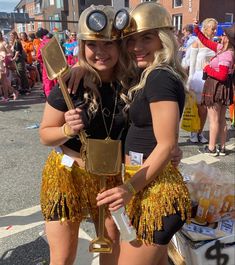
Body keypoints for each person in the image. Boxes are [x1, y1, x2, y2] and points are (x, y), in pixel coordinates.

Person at [39, 5, 136, 265]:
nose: (101, 52)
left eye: (109, 44)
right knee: (62, 257)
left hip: (110, 177)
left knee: (110, 247)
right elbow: (45, 135)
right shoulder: (70, 82)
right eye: (93, 45)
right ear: (82, 46)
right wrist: (66, 129)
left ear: (120, 46)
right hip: (67, 175)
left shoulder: (132, 83)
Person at [95, 3, 191, 265]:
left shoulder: (160, 77)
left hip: (155, 194)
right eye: (132, 40)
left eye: (146, 38)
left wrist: (127, 188)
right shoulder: (146, 75)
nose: (137, 46)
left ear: (163, 39)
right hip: (146, 187)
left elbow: (166, 144)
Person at [193, 21, 235, 156]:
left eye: (223, 35)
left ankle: (211, 148)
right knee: (221, 119)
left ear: (228, 39)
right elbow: (205, 41)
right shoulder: (221, 48)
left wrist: (207, 68)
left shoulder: (227, 54)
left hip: (217, 87)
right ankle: (222, 148)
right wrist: (196, 28)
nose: (220, 36)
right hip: (221, 88)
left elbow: (222, 76)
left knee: (214, 120)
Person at [188, 18, 218, 144]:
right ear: (205, 28)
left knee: (206, 109)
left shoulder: (216, 43)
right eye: (213, 28)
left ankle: (200, 133)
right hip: (198, 79)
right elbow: (192, 63)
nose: (215, 31)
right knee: (199, 108)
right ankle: (193, 132)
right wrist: (189, 81)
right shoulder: (196, 42)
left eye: (216, 28)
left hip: (211, 78)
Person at [37, 28, 56, 98]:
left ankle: (50, 99)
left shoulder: (42, 43)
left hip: (46, 65)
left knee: (48, 82)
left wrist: (42, 62)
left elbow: (38, 56)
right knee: (56, 81)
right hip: (56, 63)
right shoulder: (54, 41)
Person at [9, 31, 30, 95]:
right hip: (17, 60)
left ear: (15, 35)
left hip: (19, 60)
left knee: (22, 73)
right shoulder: (13, 42)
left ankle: (26, 89)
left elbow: (17, 51)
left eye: (12, 35)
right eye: (10, 35)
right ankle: (23, 88)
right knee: (19, 74)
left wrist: (14, 58)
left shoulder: (17, 42)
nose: (11, 37)